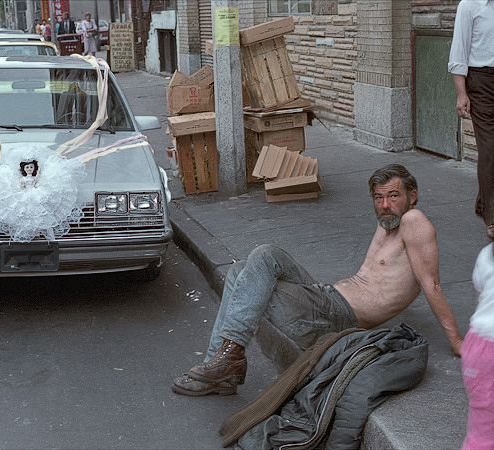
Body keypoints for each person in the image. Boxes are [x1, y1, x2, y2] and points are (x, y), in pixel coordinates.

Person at [173, 164, 464, 396]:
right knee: (242, 270)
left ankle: (226, 358)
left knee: (259, 260)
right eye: (378, 198)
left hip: (336, 316)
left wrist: (458, 342)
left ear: (412, 196)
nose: (385, 204)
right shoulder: (389, 224)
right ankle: (224, 366)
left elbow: (432, 285)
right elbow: (390, 278)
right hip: (325, 297)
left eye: (393, 196)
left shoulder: (415, 221)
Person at [448, 0, 494, 240]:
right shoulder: (469, 5)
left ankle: (482, 202)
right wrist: (461, 93)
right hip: (481, 81)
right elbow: (459, 51)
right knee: (490, 148)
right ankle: (492, 216)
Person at [461, 242, 494, 449]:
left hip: (479, 346)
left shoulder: (486, 254)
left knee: (484, 427)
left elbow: (480, 298)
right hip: (487, 348)